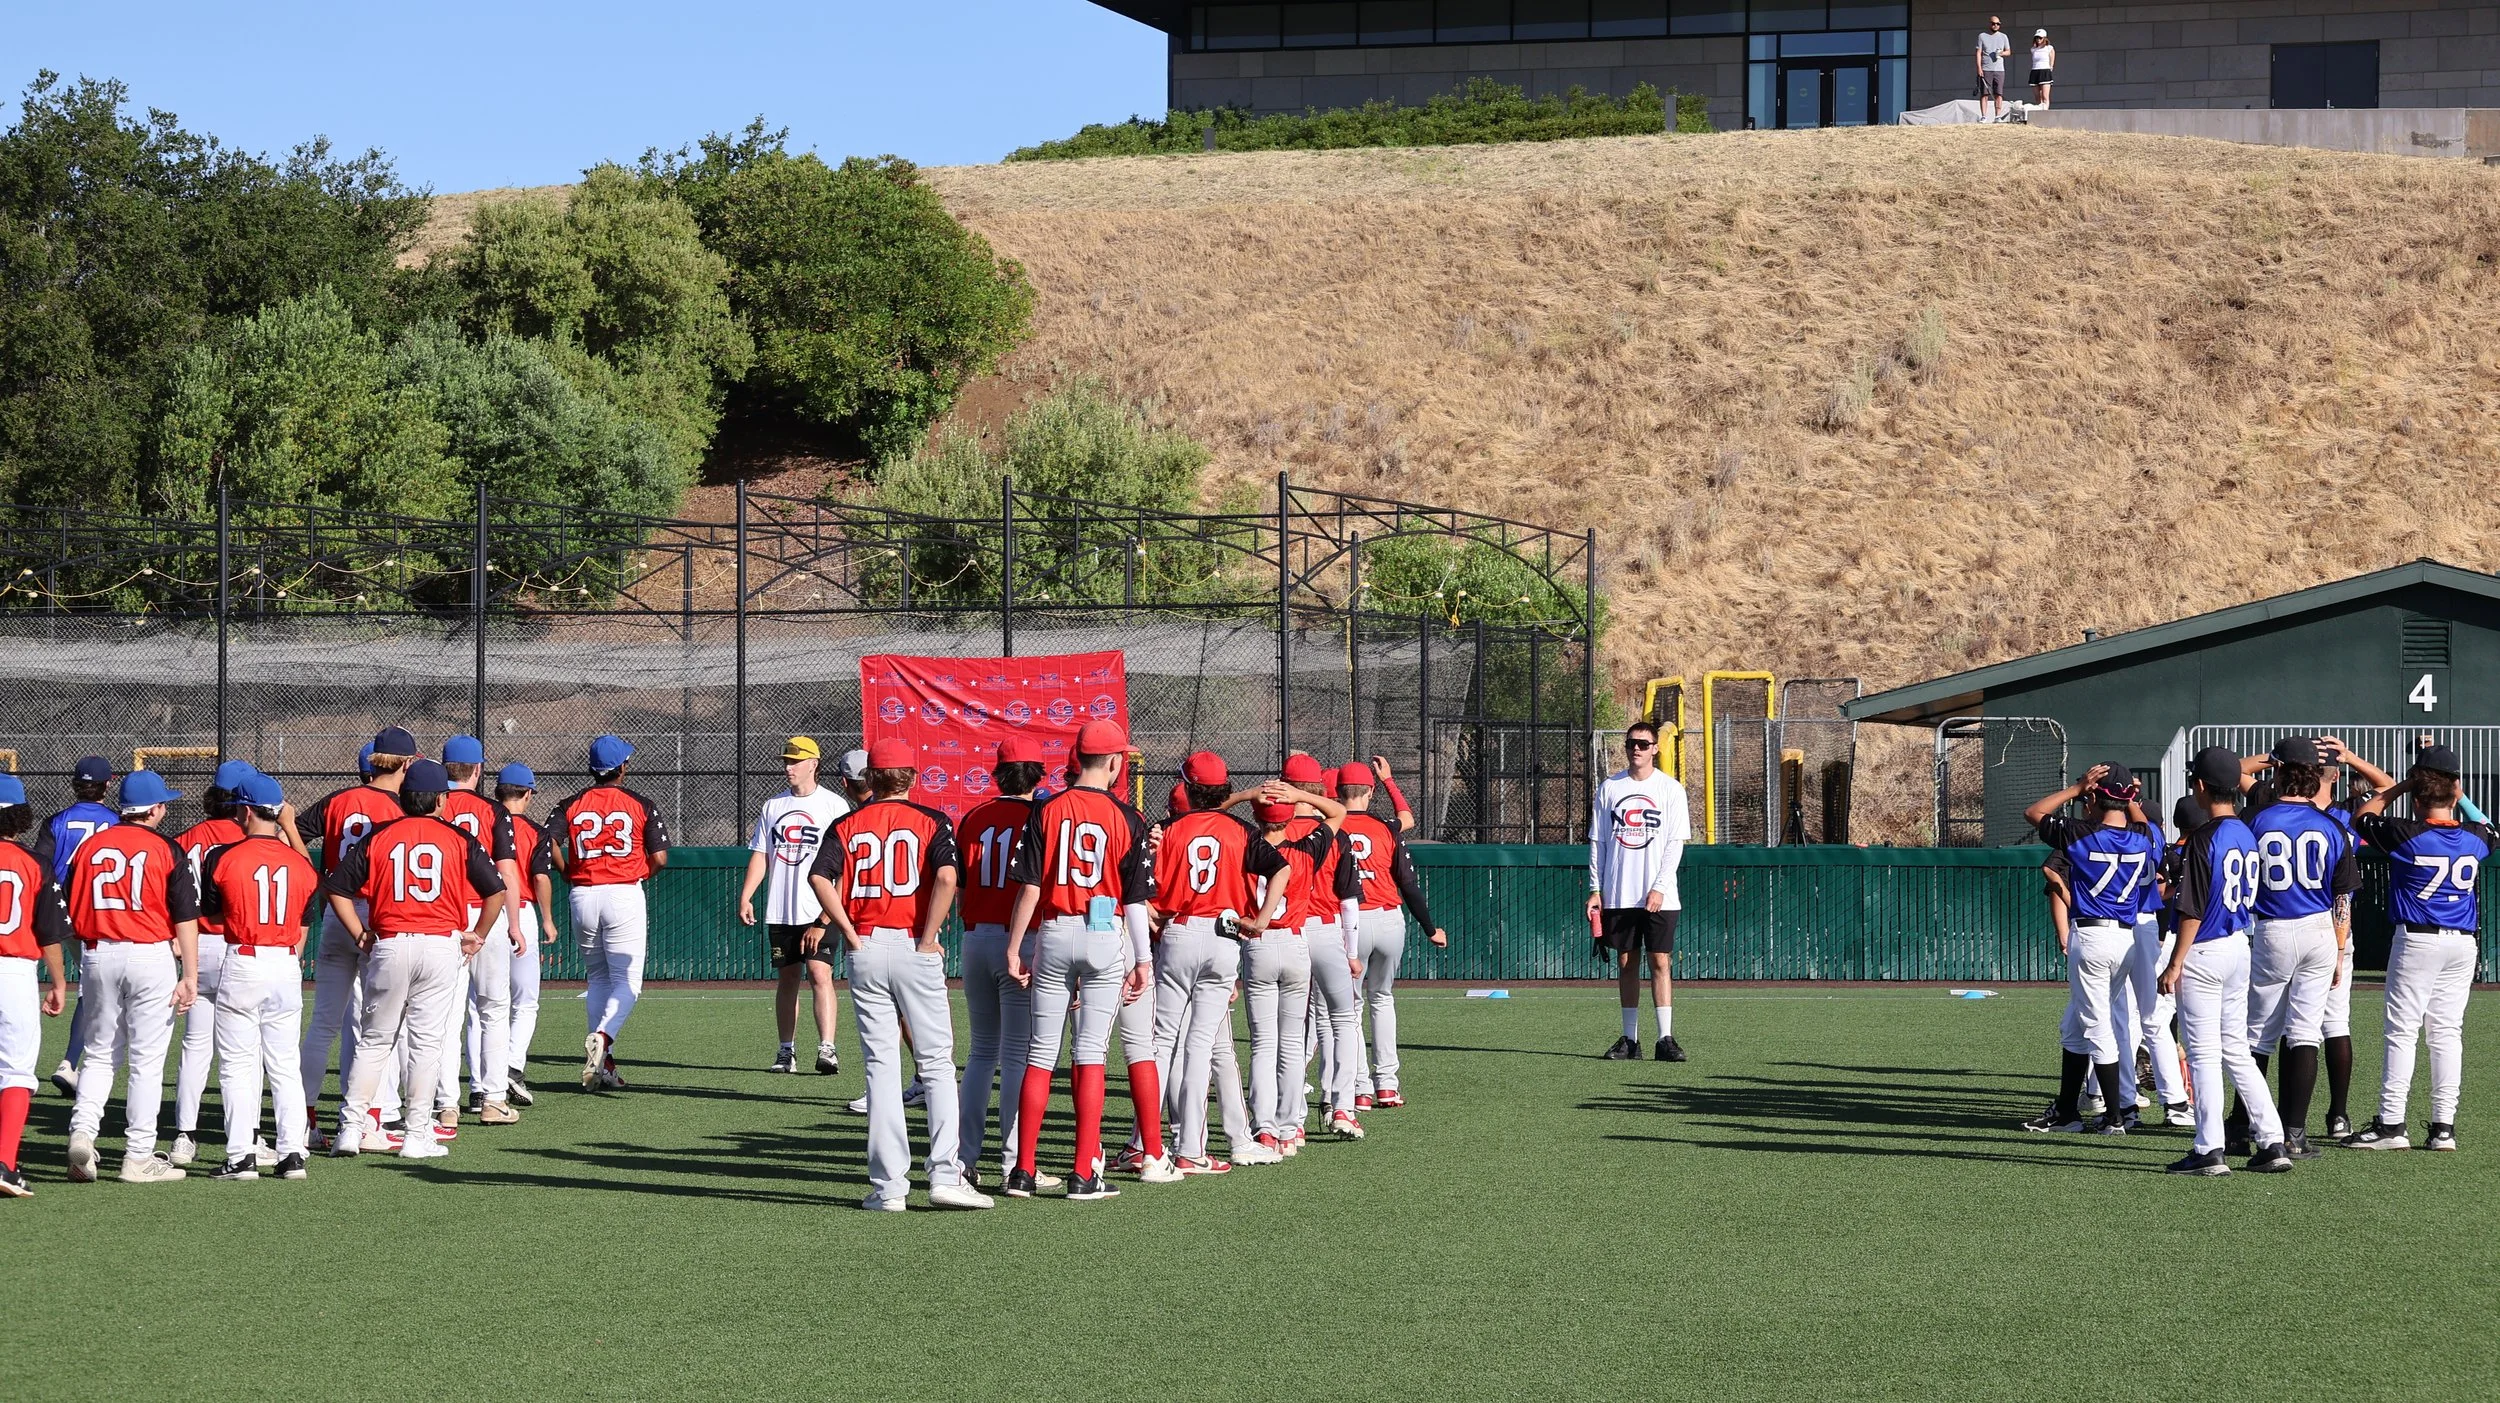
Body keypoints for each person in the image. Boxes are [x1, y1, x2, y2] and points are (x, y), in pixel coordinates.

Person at [805, 738, 988, 1211]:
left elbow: (819, 878)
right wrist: (929, 937)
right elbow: (947, 878)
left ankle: (889, 1189)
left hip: (865, 946)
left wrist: (844, 927)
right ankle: (946, 1177)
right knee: (936, 1065)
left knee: (881, 1068)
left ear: (870, 779)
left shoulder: (847, 823)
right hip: (912, 945)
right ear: (911, 776)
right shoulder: (932, 821)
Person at [1003, 719, 1160, 1201]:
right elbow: (1135, 900)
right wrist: (1143, 958)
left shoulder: (1047, 809)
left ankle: (1023, 1171)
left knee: (1040, 1053)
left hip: (1053, 931)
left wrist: (1014, 946)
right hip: (1103, 934)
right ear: (1115, 764)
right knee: (1089, 1052)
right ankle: (1082, 1172)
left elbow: (1030, 885)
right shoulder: (1127, 817)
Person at [324, 759, 506, 1160]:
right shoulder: (458, 838)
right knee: (425, 1045)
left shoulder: (380, 835)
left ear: (403, 798)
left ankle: (351, 1129)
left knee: (374, 1041)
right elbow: (496, 890)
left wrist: (359, 932)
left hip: (390, 944)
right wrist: (479, 934)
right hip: (440, 946)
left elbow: (337, 887)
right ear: (442, 799)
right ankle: (416, 1133)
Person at [2337, 743, 2487, 1152]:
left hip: (2418, 940)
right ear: (2455, 789)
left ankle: (2391, 1125)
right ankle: (2443, 1128)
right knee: (2446, 1033)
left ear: (2418, 794)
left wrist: (2401, 785)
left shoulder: (2407, 833)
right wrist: (2456, 793)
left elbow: (2364, 816)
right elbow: (2486, 824)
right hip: (2462, 945)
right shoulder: (2476, 837)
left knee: (2402, 1032)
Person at [1150, 751, 1290, 1174]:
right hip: (1225, 934)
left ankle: (1146, 1144)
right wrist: (1261, 920)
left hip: (1179, 930)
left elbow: (1146, 891)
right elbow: (1281, 869)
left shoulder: (1167, 829)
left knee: (1160, 1043)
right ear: (1225, 787)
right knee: (1200, 1045)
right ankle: (1191, 1148)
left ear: (1188, 788)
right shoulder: (1242, 831)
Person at [2157, 746, 2292, 1175]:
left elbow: (2192, 909)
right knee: (2237, 1050)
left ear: (2198, 786)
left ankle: (2208, 1148)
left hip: (2205, 949)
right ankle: (2272, 1141)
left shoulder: (2204, 837)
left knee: (2202, 1053)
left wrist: (2175, 962)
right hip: (2239, 946)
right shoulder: (2247, 831)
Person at [64, 768, 202, 1184]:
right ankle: (139, 1155)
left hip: (99, 952)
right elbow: (185, 917)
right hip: (149, 956)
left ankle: (83, 1132)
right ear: (156, 809)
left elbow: (70, 909)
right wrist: (190, 973)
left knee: (101, 1051)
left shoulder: (91, 847)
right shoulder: (167, 848)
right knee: (146, 1060)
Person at [2237, 737, 2357, 1159]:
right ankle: (2295, 1134)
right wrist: (2341, 951)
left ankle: (2243, 1125)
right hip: (2320, 930)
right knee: (2305, 1032)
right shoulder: (2333, 826)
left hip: (2271, 929)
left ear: (2279, 772)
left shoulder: (2256, 819)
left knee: (2256, 1034)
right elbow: (2343, 897)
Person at [2021, 764, 2156, 1133]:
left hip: (2093, 936)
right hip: (2125, 939)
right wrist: (2129, 795)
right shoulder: (2143, 836)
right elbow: (2142, 824)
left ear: (2094, 797)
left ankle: (2115, 1116)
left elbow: (2034, 812)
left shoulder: (2081, 833)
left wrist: (2077, 787)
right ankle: (2067, 1112)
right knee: (2076, 1025)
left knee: (2098, 1027)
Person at [197, 770, 318, 1181]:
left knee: (237, 1066)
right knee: (284, 1064)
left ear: (245, 810)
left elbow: (211, 913)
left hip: (244, 959)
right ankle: (292, 1156)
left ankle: (240, 1158)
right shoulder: (301, 864)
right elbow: (304, 916)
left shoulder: (223, 856)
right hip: (286, 963)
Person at [296, 733, 414, 1149]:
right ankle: (367, 1125)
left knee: (324, 1024)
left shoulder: (337, 801)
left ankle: (303, 1121)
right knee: (378, 1029)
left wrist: (317, 880)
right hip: (376, 917)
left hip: (335, 913)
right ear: (405, 763)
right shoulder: (400, 808)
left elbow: (291, 827)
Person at [954, 735, 1051, 1186]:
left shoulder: (974, 816)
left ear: (998, 773)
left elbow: (958, 886)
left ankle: (964, 1159)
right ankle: (1016, 1162)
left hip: (975, 938)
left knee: (980, 1053)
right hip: (1022, 940)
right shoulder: (1041, 815)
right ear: (1039, 774)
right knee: (1017, 1055)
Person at [550, 735, 670, 1090]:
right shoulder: (640, 803)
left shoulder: (570, 802)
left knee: (598, 979)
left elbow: (548, 842)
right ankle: (603, 1037)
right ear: (621, 768)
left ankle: (603, 1066)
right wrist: (639, 872)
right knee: (628, 983)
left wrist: (566, 870)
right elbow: (661, 857)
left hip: (583, 894)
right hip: (623, 892)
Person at [740, 736, 847, 1076]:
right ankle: (786, 1051)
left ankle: (827, 1048)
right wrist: (747, 894)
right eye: (786, 760)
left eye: (796, 760)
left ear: (814, 764)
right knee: (788, 978)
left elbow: (847, 866)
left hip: (819, 908)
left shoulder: (834, 805)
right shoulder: (773, 806)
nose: (789, 766)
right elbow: (761, 853)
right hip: (782, 910)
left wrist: (827, 914)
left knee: (819, 973)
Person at [1339, 761, 1443, 1110]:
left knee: (1351, 1008)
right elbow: (1409, 884)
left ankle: (1360, 1089)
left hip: (1348, 925)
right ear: (1369, 792)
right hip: (1387, 920)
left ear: (1337, 793)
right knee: (1381, 999)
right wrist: (1430, 928)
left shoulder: (1330, 826)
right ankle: (1387, 1084)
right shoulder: (1386, 827)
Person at [1589, 720, 1692, 1062]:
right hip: (1619, 892)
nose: (1637, 748)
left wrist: (1660, 887)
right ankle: (1630, 1040)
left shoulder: (1671, 789)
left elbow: (1675, 844)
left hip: (1659, 894)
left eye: (1644, 744)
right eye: (1632, 743)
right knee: (1626, 962)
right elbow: (1598, 843)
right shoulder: (1610, 788)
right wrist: (1595, 888)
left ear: (1655, 748)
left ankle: (1666, 1037)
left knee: (1660, 961)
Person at [167, 763, 252, 1167]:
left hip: (193, 945)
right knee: (244, 1050)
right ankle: (248, 1137)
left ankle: (185, 1135)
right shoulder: (248, 837)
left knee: (195, 1046)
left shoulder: (185, 838)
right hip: (235, 946)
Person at [1280, 753, 1364, 1140]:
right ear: (1320, 789)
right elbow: (1348, 900)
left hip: (1287, 933)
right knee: (1343, 1020)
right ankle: (1342, 1107)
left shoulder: (1272, 829)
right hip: (1328, 932)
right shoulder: (1337, 833)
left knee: (1291, 1029)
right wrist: (1351, 951)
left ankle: (1292, 1120)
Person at [433, 735, 510, 1131]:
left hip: (444, 914)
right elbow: (505, 871)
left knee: (447, 1016)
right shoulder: (492, 809)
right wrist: (512, 919)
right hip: (486, 911)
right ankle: (493, 1098)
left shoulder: (432, 802)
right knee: (493, 1008)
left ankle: (447, 1103)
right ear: (478, 770)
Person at [0, 773, 71, 1197]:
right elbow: (49, 934)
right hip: (12, 972)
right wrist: (59, 982)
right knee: (16, 1070)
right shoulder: (35, 863)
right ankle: (5, 1162)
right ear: (22, 817)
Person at [37, 754, 119, 1096]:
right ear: (108, 784)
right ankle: (70, 1062)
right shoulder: (117, 822)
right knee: (94, 989)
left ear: (74, 784)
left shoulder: (55, 820)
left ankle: (23, 1066)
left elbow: (42, 867)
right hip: (96, 914)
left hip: (57, 911)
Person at [477, 764, 556, 1107]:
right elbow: (539, 878)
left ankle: (482, 1083)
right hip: (519, 914)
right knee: (524, 1002)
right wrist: (549, 919)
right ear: (526, 794)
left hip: (482, 912)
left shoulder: (484, 820)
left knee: (479, 1005)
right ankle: (512, 1065)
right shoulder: (536, 831)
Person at [1975, 16, 2011, 120]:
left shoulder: (2003, 36)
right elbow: (1978, 53)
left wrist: (2001, 53)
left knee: (1998, 93)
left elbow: (2008, 51)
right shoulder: (1982, 36)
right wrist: (1979, 68)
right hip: (1986, 68)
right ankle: (1984, 116)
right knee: (1984, 93)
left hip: (1999, 69)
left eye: (1998, 24)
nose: (1995, 25)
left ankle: (1998, 116)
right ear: (1990, 24)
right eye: (1993, 23)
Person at [2028, 29, 2056, 107]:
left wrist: (2050, 68)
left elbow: (2052, 59)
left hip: (2045, 71)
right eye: (2037, 38)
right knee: (2037, 96)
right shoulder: (2033, 49)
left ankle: (2045, 112)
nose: (2038, 39)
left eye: (2040, 38)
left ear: (2044, 38)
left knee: (2045, 96)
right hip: (2035, 71)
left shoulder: (2049, 48)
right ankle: (2039, 111)